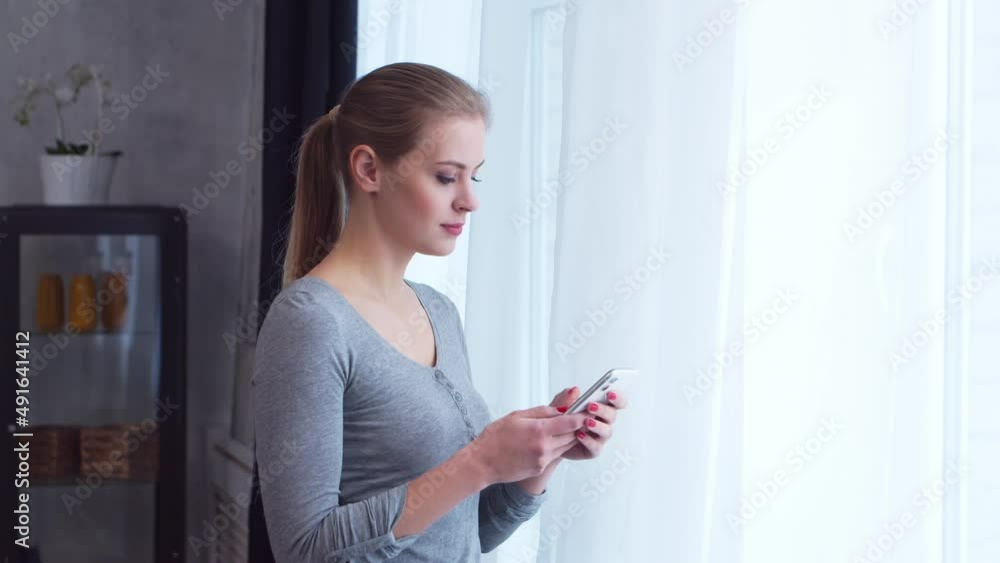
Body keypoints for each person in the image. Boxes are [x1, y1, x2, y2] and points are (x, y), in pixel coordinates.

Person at [251, 61, 629, 563]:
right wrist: (478, 461)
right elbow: (304, 550)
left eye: (475, 177)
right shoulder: (311, 322)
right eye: (447, 177)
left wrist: (542, 455)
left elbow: (459, 536)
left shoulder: (439, 312)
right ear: (369, 170)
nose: (470, 200)